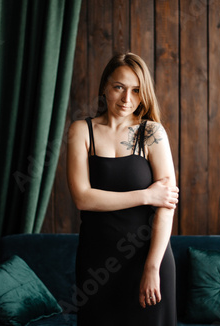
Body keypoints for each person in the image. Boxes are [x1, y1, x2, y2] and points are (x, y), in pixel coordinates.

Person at [67, 52, 179, 325]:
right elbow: (83, 198)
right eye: (119, 87)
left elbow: (166, 206)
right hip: (96, 262)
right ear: (105, 86)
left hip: (147, 258)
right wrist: (146, 195)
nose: (127, 99)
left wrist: (152, 267)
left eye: (136, 91)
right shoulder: (82, 131)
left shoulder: (152, 133)